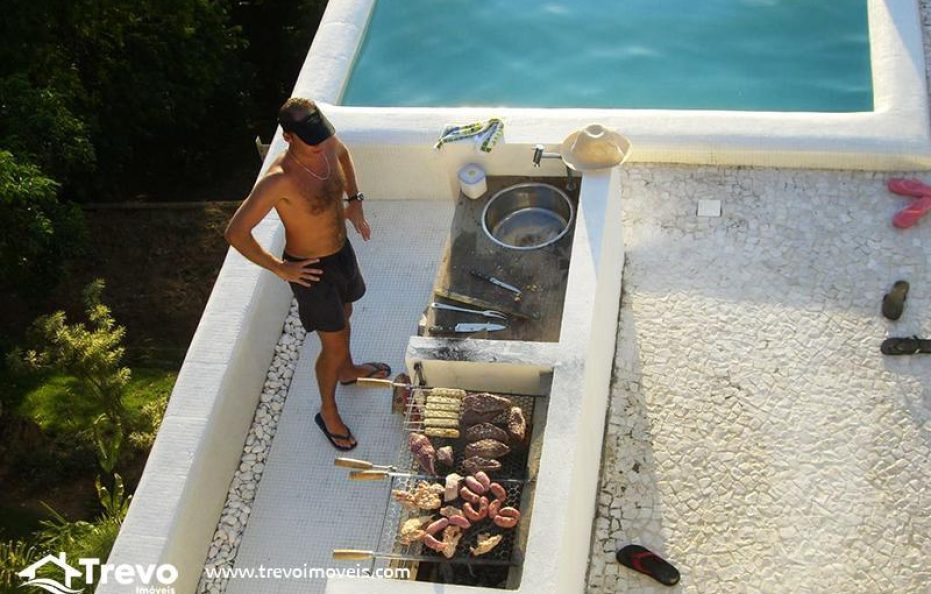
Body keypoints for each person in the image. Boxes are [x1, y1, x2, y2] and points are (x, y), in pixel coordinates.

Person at [224, 98, 390, 451]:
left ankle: (347, 371)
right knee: (333, 345)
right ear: (288, 137)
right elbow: (236, 232)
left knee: (347, 312)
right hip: (311, 271)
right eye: (310, 138)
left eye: (321, 133)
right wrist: (281, 268)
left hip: (341, 253)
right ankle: (327, 412)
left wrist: (355, 200)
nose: (320, 144)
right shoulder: (278, 181)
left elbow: (343, 154)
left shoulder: (327, 144)